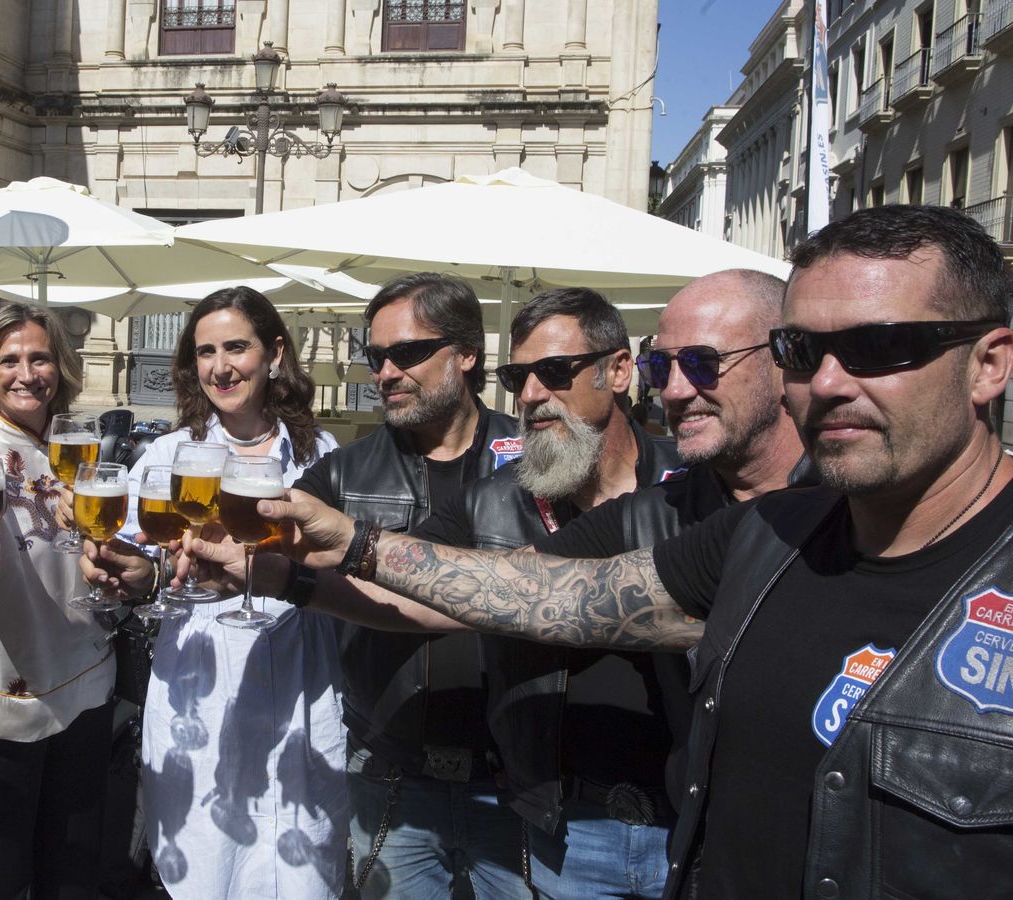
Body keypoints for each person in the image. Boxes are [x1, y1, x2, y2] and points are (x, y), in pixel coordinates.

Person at [252, 204, 1013, 897]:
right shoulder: (765, 534)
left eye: (882, 348)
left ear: (989, 362)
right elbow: (539, 594)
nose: (830, 382)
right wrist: (334, 552)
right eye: (806, 350)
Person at [408, 288, 682, 899]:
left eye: (554, 372)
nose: (530, 395)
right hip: (567, 834)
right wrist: (298, 567)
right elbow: (411, 582)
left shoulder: (690, 486)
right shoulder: (493, 500)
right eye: (518, 376)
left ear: (618, 370)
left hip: (695, 825)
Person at [87, 286, 346, 899]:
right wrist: (124, 571)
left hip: (298, 681)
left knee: (300, 866)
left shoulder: (320, 457)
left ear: (275, 352)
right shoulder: (169, 455)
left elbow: (338, 569)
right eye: (205, 352)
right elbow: (143, 566)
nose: (220, 367)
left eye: (237, 347)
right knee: (207, 864)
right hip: (201, 684)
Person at [275, 272, 526, 898]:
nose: (386, 372)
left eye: (408, 353)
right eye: (376, 356)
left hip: (520, 782)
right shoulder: (345, 470)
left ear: (468, 354)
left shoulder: (532, 463)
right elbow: (264, 541)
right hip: (390, 772)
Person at [0, 301, 116, 899]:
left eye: (39, 357)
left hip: (85, 680)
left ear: (60, 367)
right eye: (8, 359)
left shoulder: (81, 446)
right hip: (2, 686)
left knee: (71, 870)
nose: (26, 372)